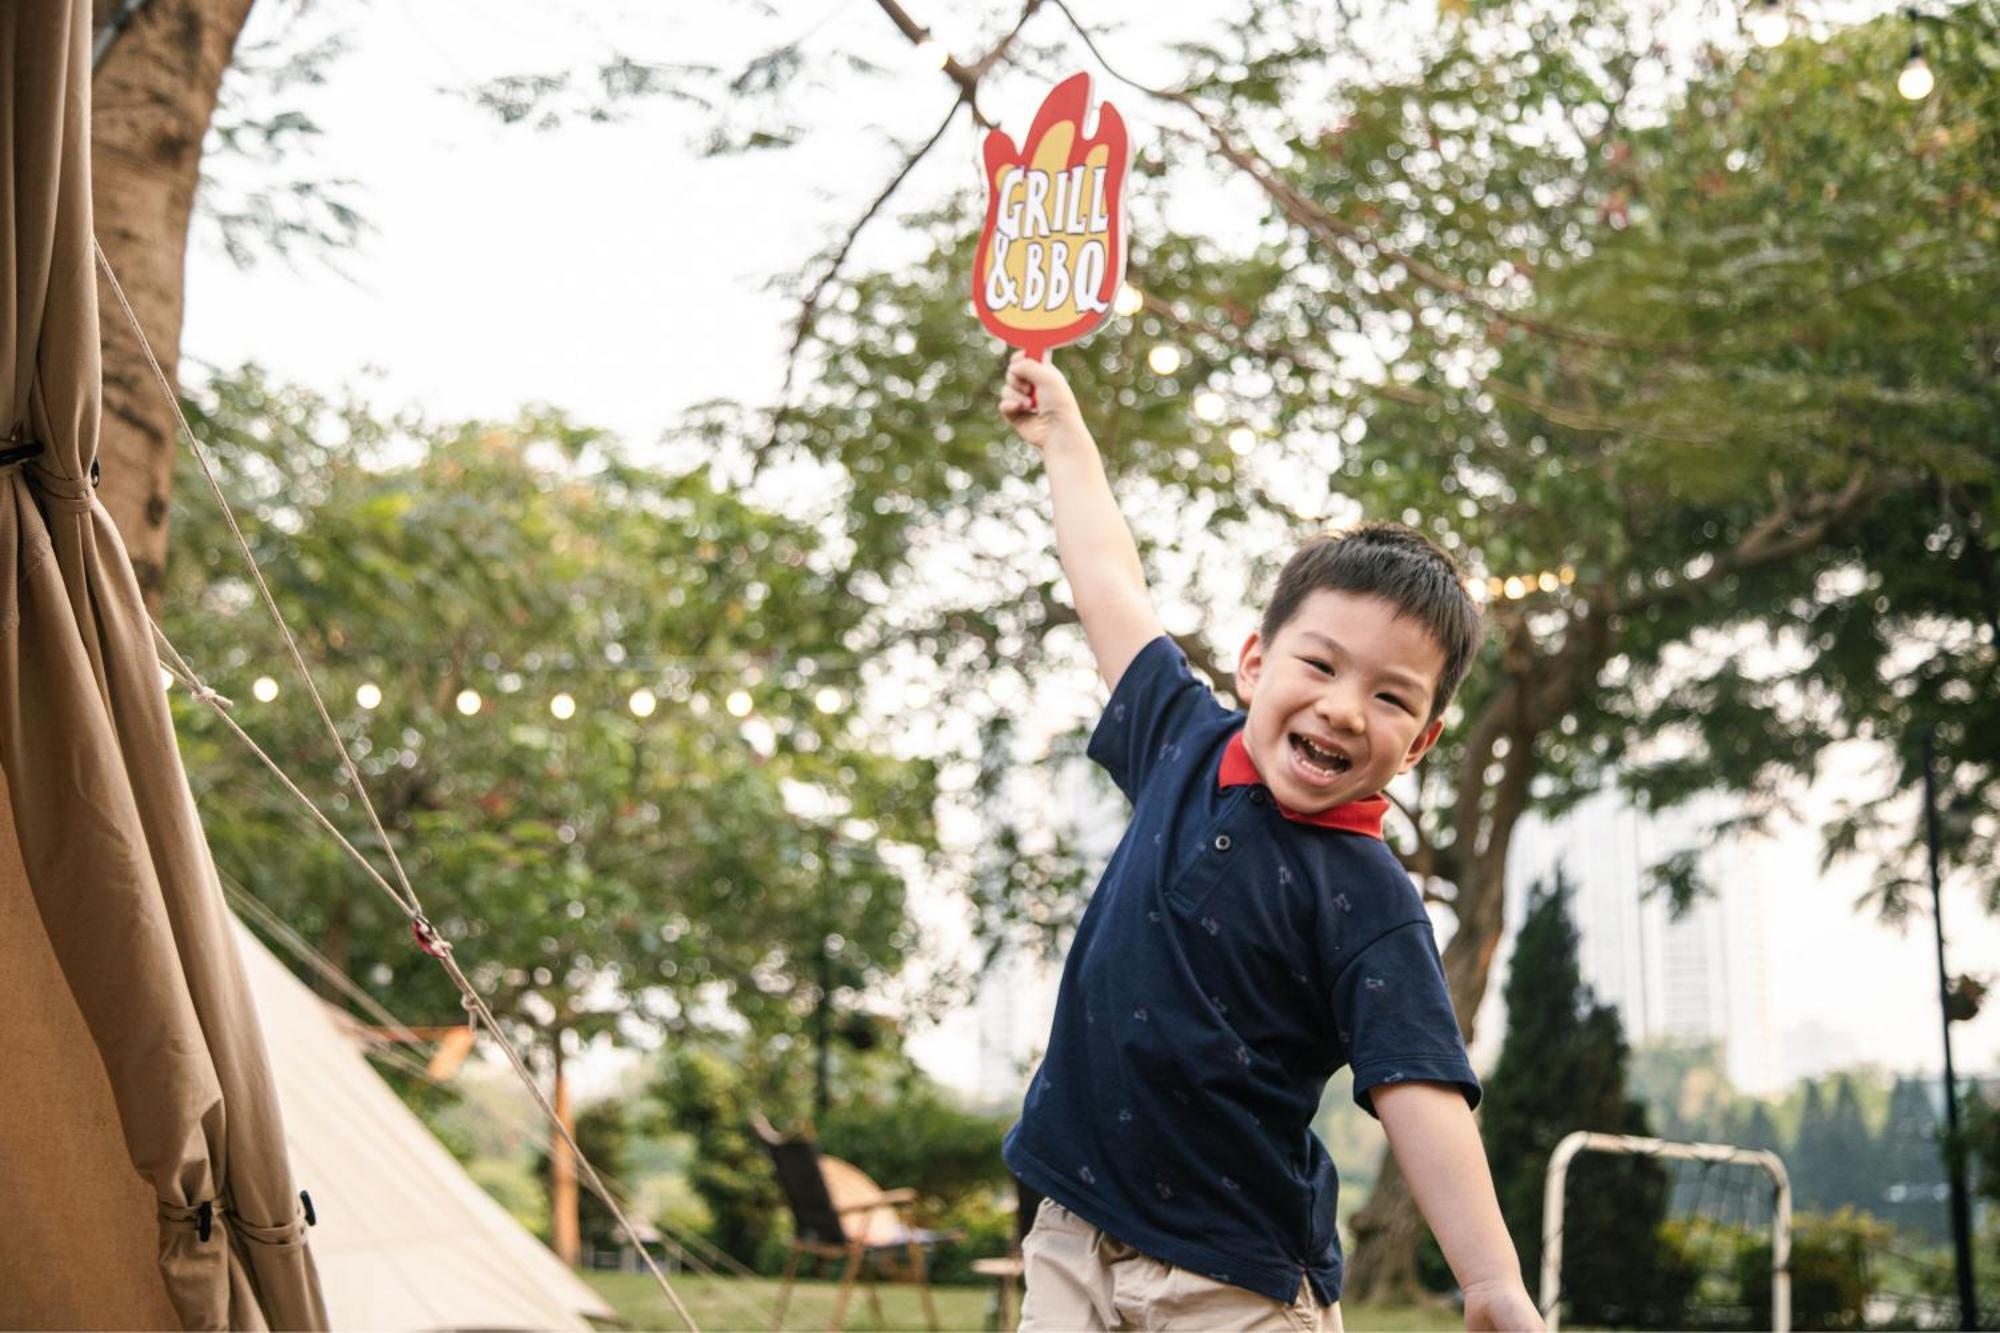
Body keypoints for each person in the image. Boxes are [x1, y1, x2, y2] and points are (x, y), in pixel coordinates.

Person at [996, 353, 1543, 1332]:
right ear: (1253, 663)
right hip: (1075, 1220)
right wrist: (1064, 436)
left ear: (1418, 743)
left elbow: (1420, 1087)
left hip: (1233, 1273)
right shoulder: (1178, 738)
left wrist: (1492, 1278)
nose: (1340, 707)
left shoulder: (1369, 899)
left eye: (1387, 696)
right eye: (1319, 664)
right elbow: (1108, 581)